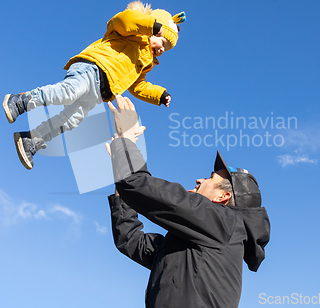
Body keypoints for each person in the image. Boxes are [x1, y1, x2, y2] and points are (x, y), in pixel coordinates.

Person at [106, 96, 270, 308]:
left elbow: (140, 185)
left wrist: (126, 141)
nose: (200, 179)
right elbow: (129, 240)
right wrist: (122, 186)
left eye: (210, 178)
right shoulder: (188, 241)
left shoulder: (226, 223)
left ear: (223, 197)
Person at [2, 1, 186, 169]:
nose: (161, 50)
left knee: (72, 119)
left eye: (165, 50)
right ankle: (20, 101)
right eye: (162, 42)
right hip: (92, 69)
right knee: (69, 92)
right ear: (154, 28)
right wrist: (149, 25)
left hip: (99, 92)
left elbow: (138, 87)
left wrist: (160, 95)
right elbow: (123, 20)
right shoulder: (133, 33)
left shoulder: (144, 63)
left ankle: (31, 139)